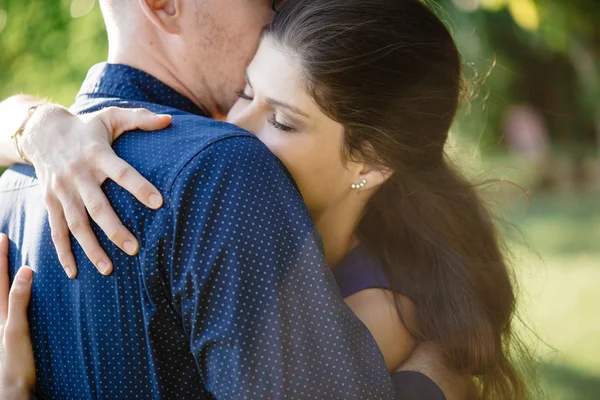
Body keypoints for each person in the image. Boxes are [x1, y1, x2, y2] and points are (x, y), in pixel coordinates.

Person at [0, 0, 537, 399]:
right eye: (247, 95)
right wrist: (31, 122)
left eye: (281, 120)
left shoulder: (16, 188)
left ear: (372, 163)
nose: (237, 126)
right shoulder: (200, 166)